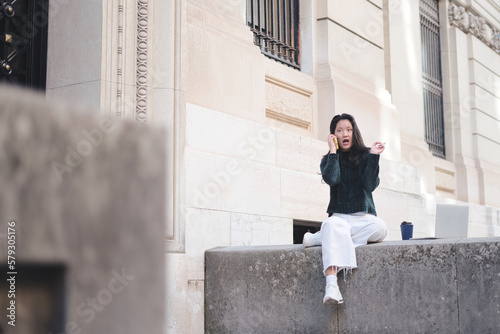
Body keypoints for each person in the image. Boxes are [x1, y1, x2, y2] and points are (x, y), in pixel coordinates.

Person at [303, 113, 387, 305]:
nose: (345, 133)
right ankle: (331, 285)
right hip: (339, 217)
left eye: (348, 129)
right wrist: (333, 152)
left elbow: (369, 184)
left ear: (354, 132)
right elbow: (332, 179)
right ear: (334, 135)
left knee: (381, 228)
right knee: (332, 224)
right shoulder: (329, 159)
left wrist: (373, 156)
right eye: (339, 130)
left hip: (363, 218)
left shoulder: (366, 155)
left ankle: (322, 237)